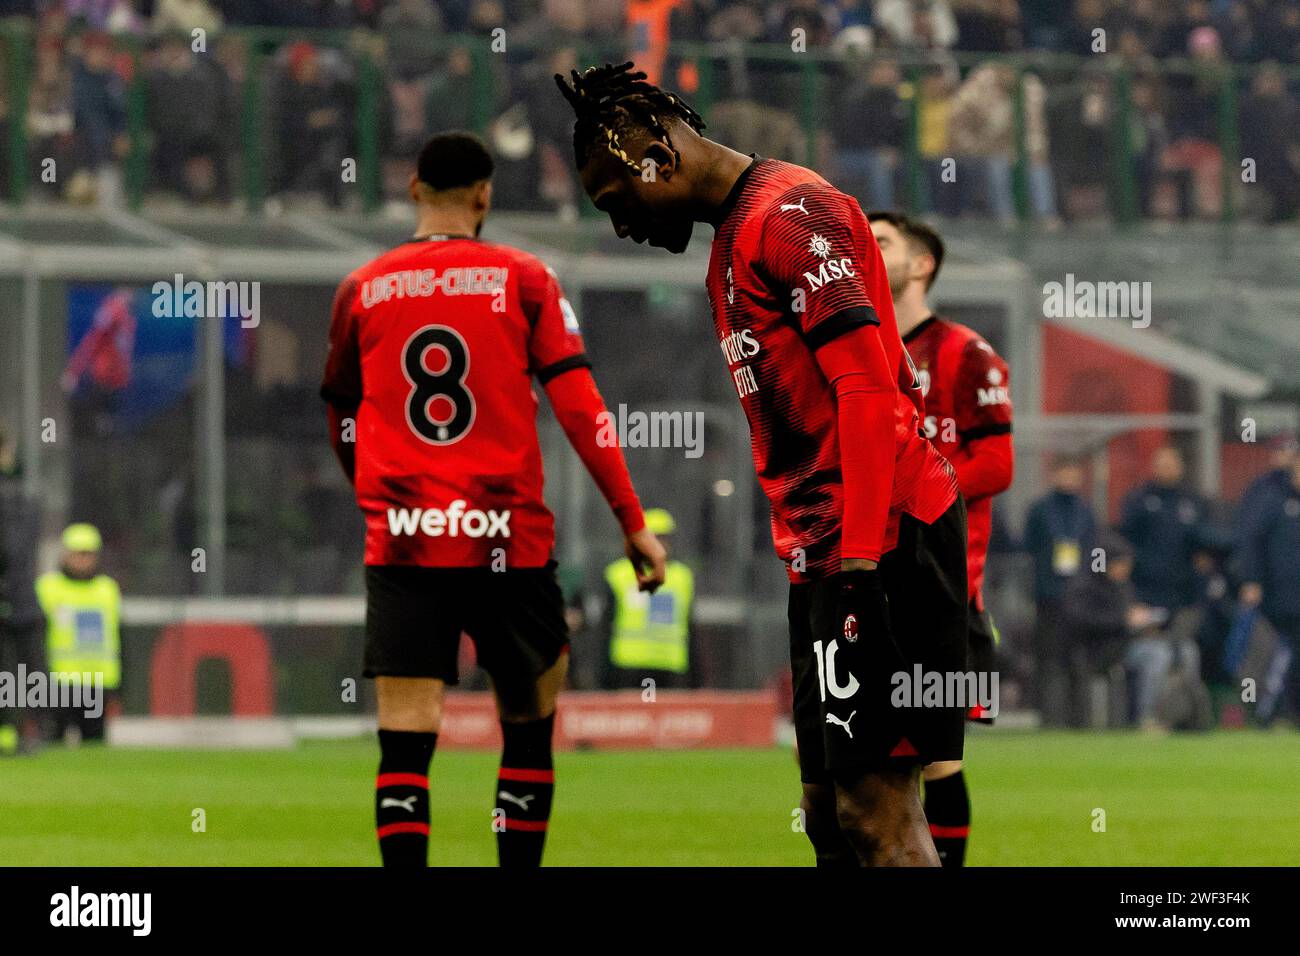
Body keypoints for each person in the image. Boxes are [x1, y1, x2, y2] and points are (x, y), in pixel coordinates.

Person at [557, 62, 967, 867]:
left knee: (877, 815)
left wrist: (856, 562)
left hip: (883, 538)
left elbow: (865, 388)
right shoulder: (730, 244)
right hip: (828, 550)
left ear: (658, 159)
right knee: (826, 814)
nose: (620, 226)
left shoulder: (791, 214)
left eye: (616, 201)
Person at [320, 131, 665, 868]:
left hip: (406, 536)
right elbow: (581, 409)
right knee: (528, 727)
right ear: (485, 196)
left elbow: (340, 411)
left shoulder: (363, 287)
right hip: (507, 535)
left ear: (413, 189)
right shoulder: (526, 278)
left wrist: (370, 491)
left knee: (407, 740)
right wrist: (631, 521)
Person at [871, 210, 1013, 867]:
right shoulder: (859, 345)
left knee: (937, 763)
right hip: (867, 585)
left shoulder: (964, 352)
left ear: (922, 264)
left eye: (882, 242)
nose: (868, 250)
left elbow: (999, 463)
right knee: (869, 769)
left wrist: (917, 482)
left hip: (946, 591)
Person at [1023, 457, 1096, 727]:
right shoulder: (1040, 509)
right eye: (1065, 472)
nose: (1070, 479)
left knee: (1077, 659)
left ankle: (1080, 719)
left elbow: (1092, 547)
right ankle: (1049, 717)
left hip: (1079, 598)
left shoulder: (1085, 510)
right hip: (1049, 596)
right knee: (1049, 658)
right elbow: (1028, 546)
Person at [36, 524, 122, 743]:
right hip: (59, 683)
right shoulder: (47, 588)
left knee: (94, 745)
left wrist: (120, 685)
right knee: (53, 744)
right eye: (77, 554)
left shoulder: (107, 589)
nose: (82, 560)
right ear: (65, 554)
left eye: (88, 554)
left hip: (97, 683)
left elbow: (119, 637)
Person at [1236, 453, 1300, 726]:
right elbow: (1253, 541)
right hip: (1281, 596)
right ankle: (1268, 711)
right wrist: (1252, 580)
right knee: (1281, 654)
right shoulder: (1273, 500)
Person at [602, 508, 695, 690]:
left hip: (670, 666)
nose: (659, 544)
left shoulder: (683, 577)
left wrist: (695, 678)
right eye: (654, 538)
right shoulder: (618, 575)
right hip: (628, 665)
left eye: (663, 537)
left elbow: (692, 627)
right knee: (635, 717)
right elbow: (604, 628)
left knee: (665, 718)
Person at [1117, 445, 1210, 616]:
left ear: (1180, 467)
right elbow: (1126, 538)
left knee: (1183, 634)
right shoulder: (1138, 499)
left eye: (1172, 464)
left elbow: (1204, 535)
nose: (1168, 469)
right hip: (1147, 586)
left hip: (1184, 587)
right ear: (1154, 467)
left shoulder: (1193, 500)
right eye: (1163, 465)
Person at [0, 429, 45, 757]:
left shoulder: (17, 496)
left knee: (18, 672)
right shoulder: (22, 497)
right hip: (22, 597)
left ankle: (25, 732)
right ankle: (32, 732)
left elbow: (16, 550)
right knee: (25, 671)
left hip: (18, 598)